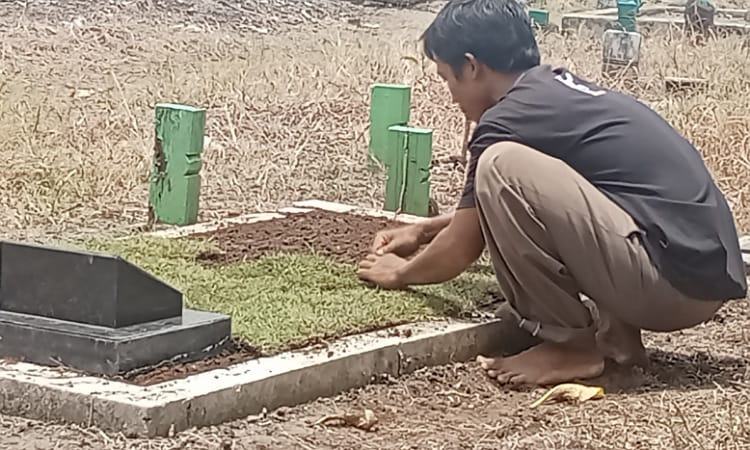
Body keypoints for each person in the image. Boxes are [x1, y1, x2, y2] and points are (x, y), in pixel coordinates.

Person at [356, 0, 747, 386]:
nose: (450, 94)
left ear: (472, 66)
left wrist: (401, 272)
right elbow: (558, 201)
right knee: (528, 173)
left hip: (671, 287)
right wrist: (425, 230)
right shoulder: (554, 93)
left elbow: (462, 248)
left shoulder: (505, 119)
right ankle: (617, 338)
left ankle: (569, 347)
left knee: (500, 165)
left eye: (447, 78)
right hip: (696, 278)